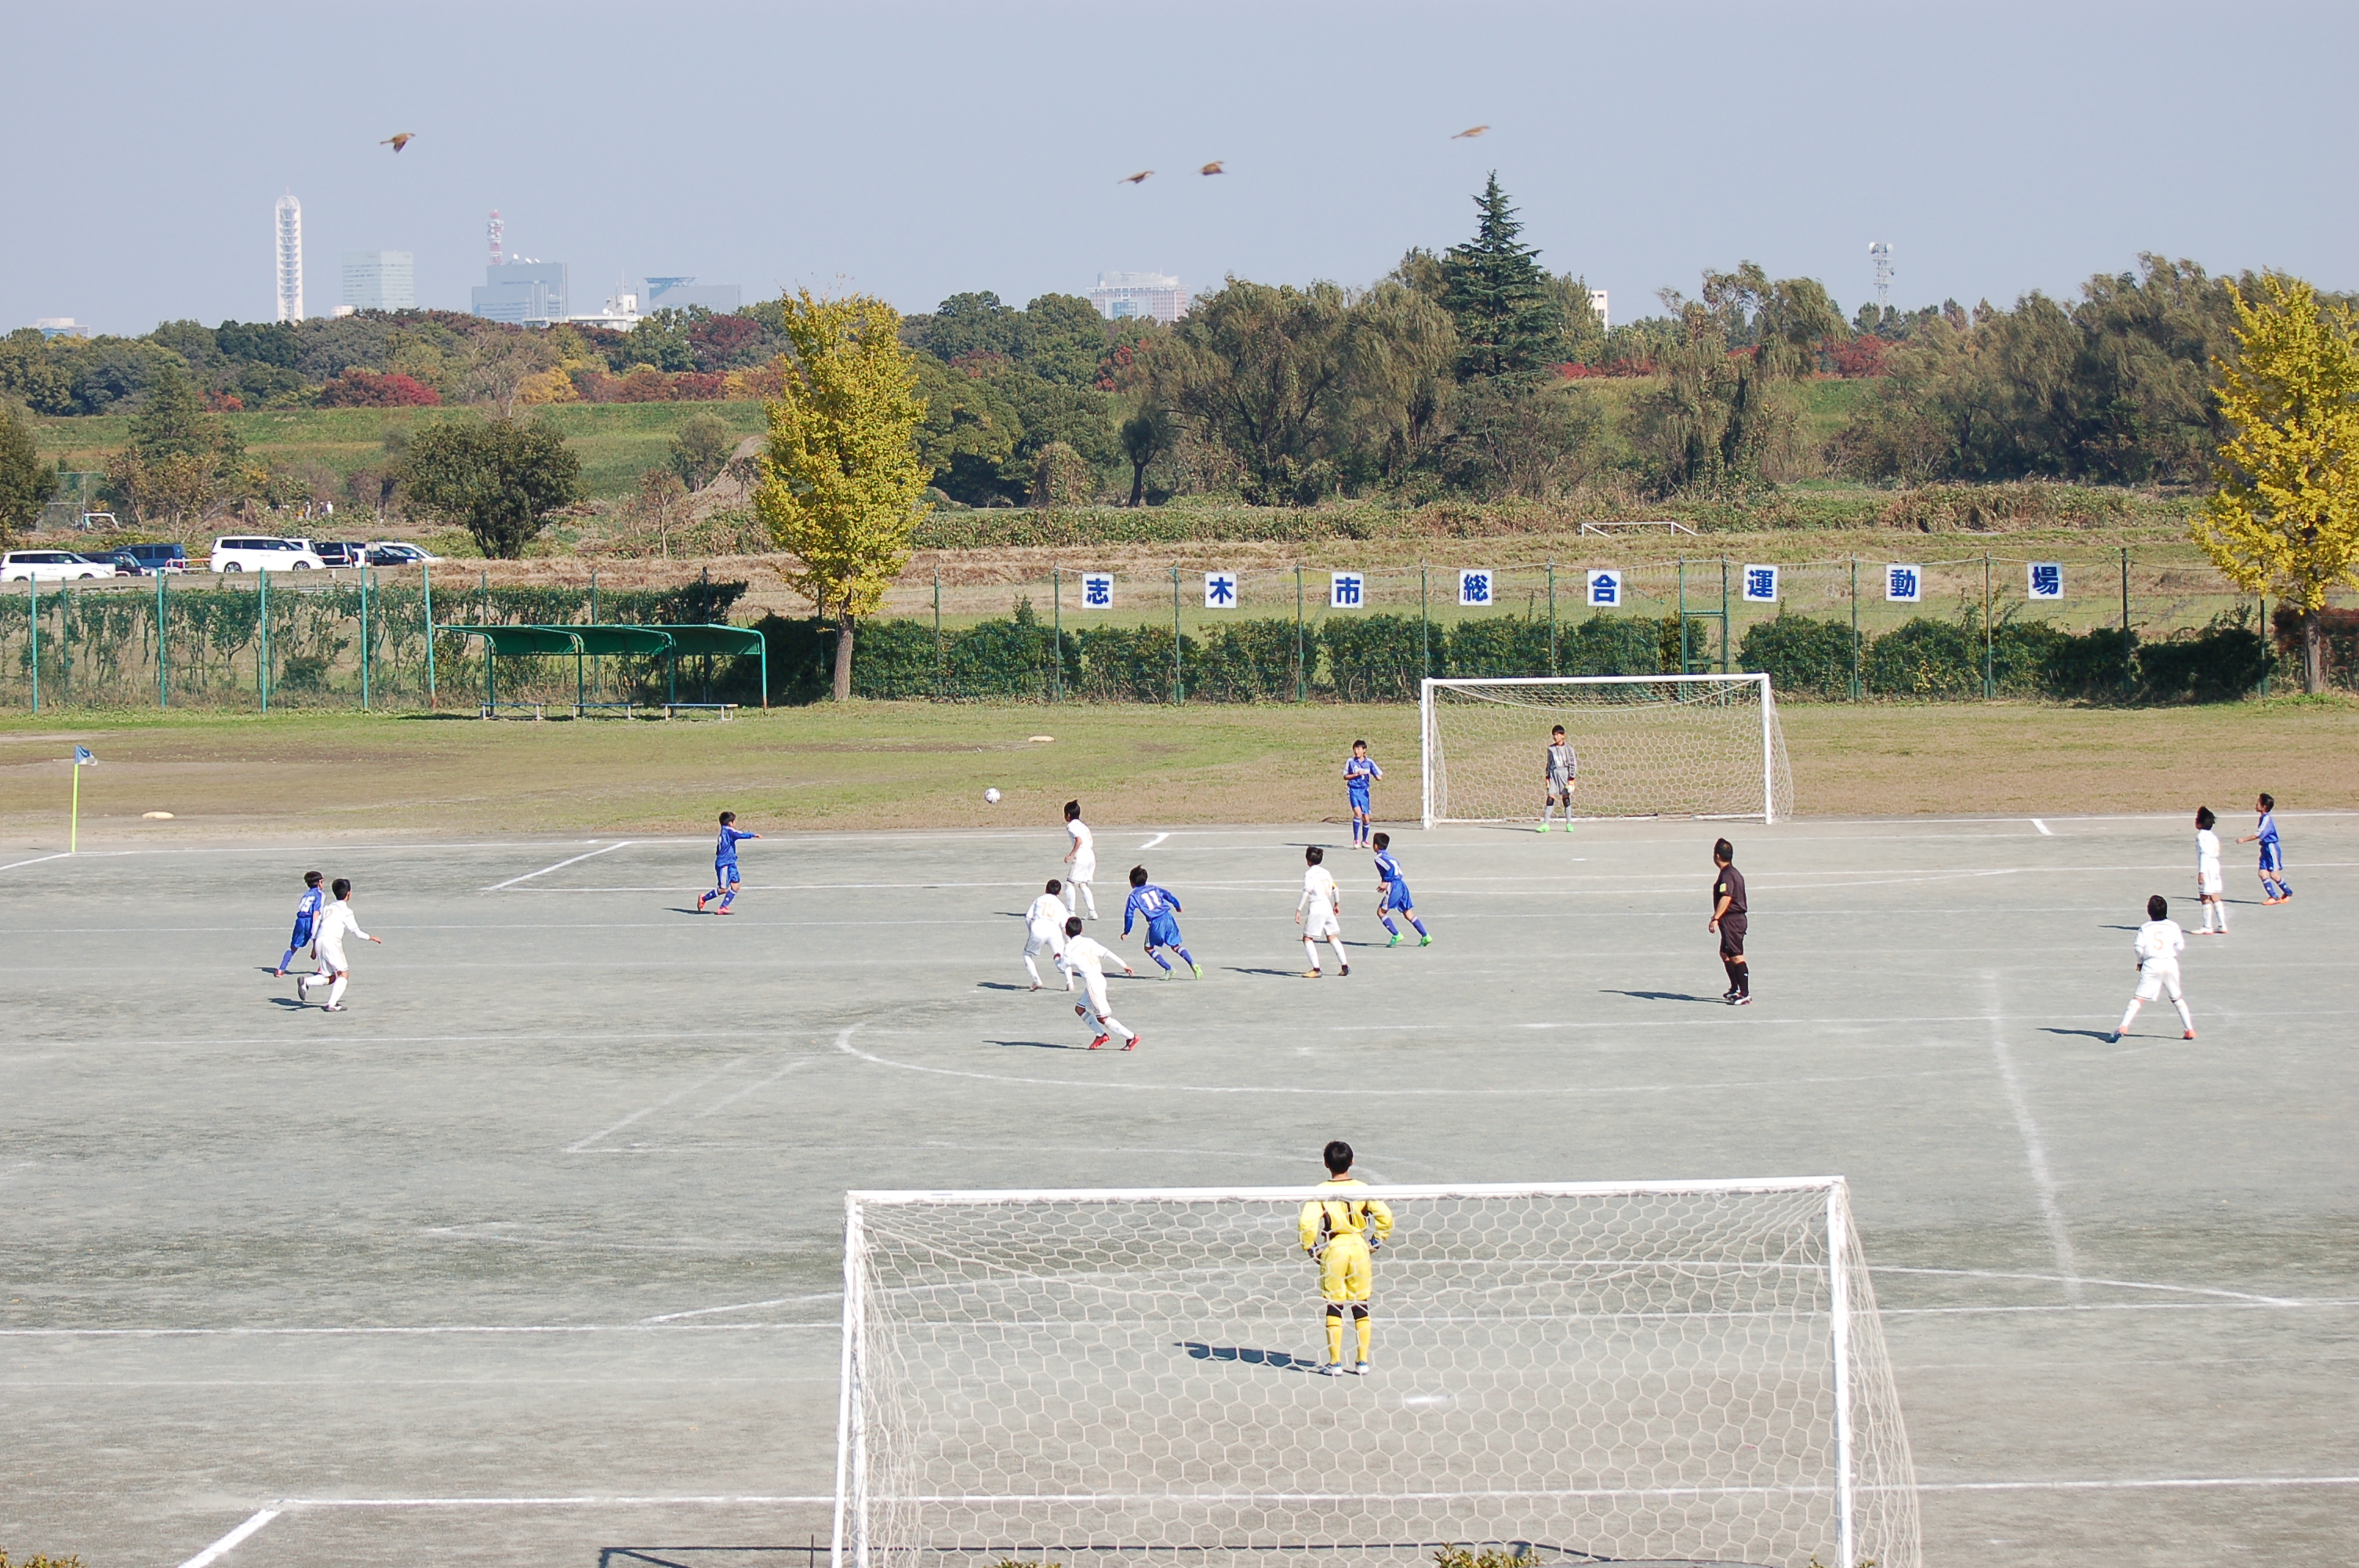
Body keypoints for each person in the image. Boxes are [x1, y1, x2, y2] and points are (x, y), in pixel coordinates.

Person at [1297, 1139, 1393, 1376]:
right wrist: (1377, 1240)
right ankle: (1362, 1362)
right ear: (1352, 1161)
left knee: (1335, 1305)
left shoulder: (1321, 1191)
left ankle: (1335, 1362)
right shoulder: (1363, 1188)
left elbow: (1307, 1223)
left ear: (1326, 1164)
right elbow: (1385, 1216)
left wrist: (1310, 1247)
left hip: (1334, 1248)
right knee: (1361, 1304)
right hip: (1359, 1247)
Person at [2114, 894, 2195, 1042]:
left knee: (2138, 998)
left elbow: (2138, 948)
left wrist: (2140, 962)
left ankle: (2123, 1026)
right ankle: (2189, 1029)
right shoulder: (2173, 926)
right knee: (2176, 997)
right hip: (2170, 963)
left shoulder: (2145, 928)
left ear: (2149, 911)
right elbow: (2181, 946)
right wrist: (2169, 953)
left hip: (2152, 964)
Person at [297, 877, 381, 1014]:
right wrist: (372, 937)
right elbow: (357, 933)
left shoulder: (327, 908)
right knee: (343, 974)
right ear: (349, 893)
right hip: (332, 942)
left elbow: (315, 927)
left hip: (320, 941)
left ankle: (307, 982)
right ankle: (332, 1004)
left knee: (330, 977)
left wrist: (314, 946)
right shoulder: (346, 911)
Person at [1059, 915, 1138, 1050]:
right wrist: (1124, 965)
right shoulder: (1089, 941)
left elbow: (1062, 966)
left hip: (1093, 983)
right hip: (1100, 979)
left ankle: (1131, 1037)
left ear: (1066, 932)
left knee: (1103, 1018)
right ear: (1082, 929)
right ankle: (1100, 1035)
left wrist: (1057, 958)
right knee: (1080, 1009)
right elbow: (1107, 953)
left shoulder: (1069, 948)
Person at [1124, 866, 1202, 978]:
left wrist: (1126, 931)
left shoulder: (1133, 895)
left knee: (1149, 948)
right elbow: (1168, 895)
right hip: (1168, 917)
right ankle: (1193, 963)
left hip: (1156, 922)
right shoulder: (1154, 888)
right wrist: (1178, 906)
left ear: (1131, 881)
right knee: (1176, 946)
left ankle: (1168, 968)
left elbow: (1129, 914)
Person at [1370, 833, 1430, 948]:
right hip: (1402, 885)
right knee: (1408, 913)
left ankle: (1396, 935)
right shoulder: (1390, 857)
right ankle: (1426, 936)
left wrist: (1385, 881)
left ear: (1376, 846)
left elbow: (1391, 868)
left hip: (1394, 886)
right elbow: (1397, 865)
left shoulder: (1378, 858)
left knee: (1381, 912)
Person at [1708, 838, 1749, 1005]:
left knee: (1736, 955)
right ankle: (1735, 988)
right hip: (1730, 920)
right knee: (1725, 953)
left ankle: (1745, 994)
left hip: (1733, 920)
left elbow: (1727, 897)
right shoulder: (1731, 872)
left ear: (1717, 856)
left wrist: (1715, 918)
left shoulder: (1727, 875)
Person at [1296, 844, 1348, 978]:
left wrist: (1298, 910)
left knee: (1307, 938)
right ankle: (1345, 966)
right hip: (1328, 906)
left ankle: (1316, 969)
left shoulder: (1309, 874)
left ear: (1308, 860)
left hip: (1317, 908)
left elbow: (1307, 892)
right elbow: (1335, 889)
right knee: (1332, 936)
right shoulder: (1326, 872)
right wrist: (1336, 903)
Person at [700, 811, 761, 914]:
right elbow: (740, 834)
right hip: (724, 865)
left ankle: (723, 907)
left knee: (736, 886)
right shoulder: (729, 831)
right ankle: (704, 898)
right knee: (723, 889)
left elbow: (719, 849)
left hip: (731, 863)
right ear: (730, 823)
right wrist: (753, 835)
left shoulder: (725, 833)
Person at [2239, 793, 2290, 904]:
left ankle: (2288, 892)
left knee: (2274, 874)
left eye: (2258, 803)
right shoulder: (2262, 818)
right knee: (2262, 873)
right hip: (2265, 848)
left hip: (2271, 848)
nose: (2256, 804)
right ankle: (2273, 897)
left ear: (2264, 806)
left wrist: (2244, 840)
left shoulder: (2267, 819)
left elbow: (2259, 834)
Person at [274, 870, 327, 977]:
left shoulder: (306, 895)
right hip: (310, 920)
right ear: (319, 882)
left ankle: (281, 969)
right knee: (322, 942)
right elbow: (316, 912)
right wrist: (314, 928)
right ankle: (322, 968)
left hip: (300, 920)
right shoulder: (320, 894)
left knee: (293, 946)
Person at [1023, 878, 1072, 991]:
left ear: (1046, 889)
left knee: (1027, 955)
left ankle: (1037, 980)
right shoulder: (1060, 904)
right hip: (1054, 929)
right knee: (1062, 955)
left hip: (1038, 926)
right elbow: (1065, 923)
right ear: (1059, 892)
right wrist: (1069, 940)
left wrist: (1031, 932)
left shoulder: (1039, 899)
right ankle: (1069, 982)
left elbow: (1028, 917)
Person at [2194, 807, 2229, 935]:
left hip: (2207, 866)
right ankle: (2222, 925)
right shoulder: (2213, 836)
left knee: (2204, 896)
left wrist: (2201, 872)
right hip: (2215, 865)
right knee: (2215, 896)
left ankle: (2207, 926)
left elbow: (2204, 854)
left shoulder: (2201, 836)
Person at [1062, 800, 1099, 920]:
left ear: (1068, 815)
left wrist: (1071, 854)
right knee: (1083, 884)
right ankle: (1092, 912)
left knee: (1069, 883)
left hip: (1082, 854)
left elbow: (1079, 841)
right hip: (1090, 854)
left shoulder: (1071, 826)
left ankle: (1071, 912)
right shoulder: (1083, 825)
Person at [1343, 741, 1383, 848]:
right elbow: (1345, 776)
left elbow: (1378, 774)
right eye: (1355, 749)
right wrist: (1356, 774)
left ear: (1364, 750)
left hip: (1364, 792)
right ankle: (1356, 839)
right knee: (1358, 814)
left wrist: (1377, 777)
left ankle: (1364, 840)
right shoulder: (1351, 761)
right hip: (1353, 790)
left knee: (1366, 818)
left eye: (1359, 749)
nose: (1357, 751)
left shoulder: (1369, 762)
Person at [1539, 725, 1578, 833]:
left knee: (1565, 798)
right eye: (1554, 735)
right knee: (1550, 797)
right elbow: (1549, 763)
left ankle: (1569, 823)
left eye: (1558, 734)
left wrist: (1571, 779)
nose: (1555, 737)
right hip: (1553, 774)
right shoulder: (1551, 749)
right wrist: (1547, 777)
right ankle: (1545, 824)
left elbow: (1572, 764)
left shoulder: (1569, 749)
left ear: (1563, 735)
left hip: (1564, 774)